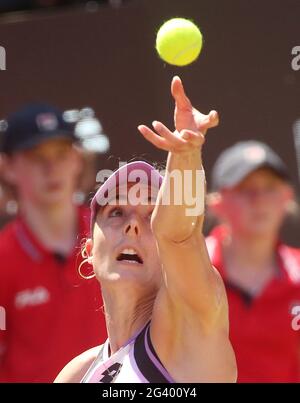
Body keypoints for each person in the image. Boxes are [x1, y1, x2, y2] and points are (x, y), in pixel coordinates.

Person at [55, 76, 237, 383]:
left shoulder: (193, 328)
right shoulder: (77, 374)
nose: (132, 225)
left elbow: (179, 234)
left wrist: (186, 155)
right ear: (88, 252)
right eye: (116, 212)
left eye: (151, 214)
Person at [0, 103, 107, 382]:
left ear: (77, 160)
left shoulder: (114, 234)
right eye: (37, 157)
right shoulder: (3, 259)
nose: (51, 168)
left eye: (61, 154)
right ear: (8, 167)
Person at [206, 140, 300, 382]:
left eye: (270, 187)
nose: (259, 199)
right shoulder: (190, 270)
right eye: (244, 188)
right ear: (217, 202)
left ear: (286, 197)